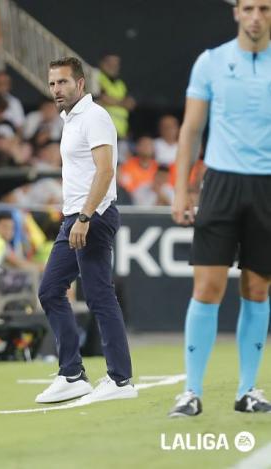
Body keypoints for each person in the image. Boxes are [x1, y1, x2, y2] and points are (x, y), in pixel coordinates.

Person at [168, 0, 271, 417]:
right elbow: (191, 130)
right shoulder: (210, 62)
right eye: (249, 8)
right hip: (221, 184)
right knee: (207, 289)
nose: (256, 17)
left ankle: (248, 390)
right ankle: (190, 392)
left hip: (267, 187)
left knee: (258, 290)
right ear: (236, 13)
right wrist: (180, 190)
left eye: (264, 9)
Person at [35, 57, 136, 405]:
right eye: (52, 84)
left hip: (91, 217)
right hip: (74, 218)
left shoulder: (94, 117)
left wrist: (85, 217)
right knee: (50, 291)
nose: (56, 90)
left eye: (62, 82)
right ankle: (72, 374)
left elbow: (105, 172)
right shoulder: (72, 120)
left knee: (98, 296)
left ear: (80, 85)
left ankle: (121, 379)